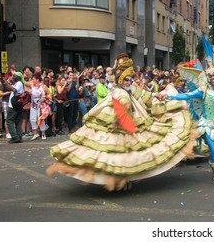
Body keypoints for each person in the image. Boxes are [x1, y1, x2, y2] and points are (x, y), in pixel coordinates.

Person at [46, 53, 199, 191]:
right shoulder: (119, 92)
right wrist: (123, 113)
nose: (129, 81)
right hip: (117, 127)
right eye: (127, 78)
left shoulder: (129, 88)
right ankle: (118, 179)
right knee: (113, 154)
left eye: (130, 78)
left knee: (128, 154)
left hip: (131, 124)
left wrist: (161, 98)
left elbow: (145, 96)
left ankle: (125, 179)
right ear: (120, 78)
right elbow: (120, 104)